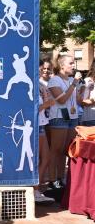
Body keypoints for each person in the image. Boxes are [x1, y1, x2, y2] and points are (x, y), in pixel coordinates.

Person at [47, 55, 81, 190]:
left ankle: (61, 178)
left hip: (72, 117)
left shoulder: (73, 80)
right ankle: (52, 179)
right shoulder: (54, 80)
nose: (73, 65)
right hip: (59, 117)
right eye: (71, 63)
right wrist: (74, 85)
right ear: (62, 66)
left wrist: (80, 89)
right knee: (56, 150)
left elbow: (78, 100)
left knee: (66, 150)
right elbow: (62, 100)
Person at [35, 68, 55, 204]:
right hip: (36, 126)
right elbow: (34, 108)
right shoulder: (32, 86)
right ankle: (34, 190)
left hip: (41, 124)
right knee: (43, 158)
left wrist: (47, 99)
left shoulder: (39, 86)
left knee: (45, 158)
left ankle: (35, 190)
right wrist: (48, 103)